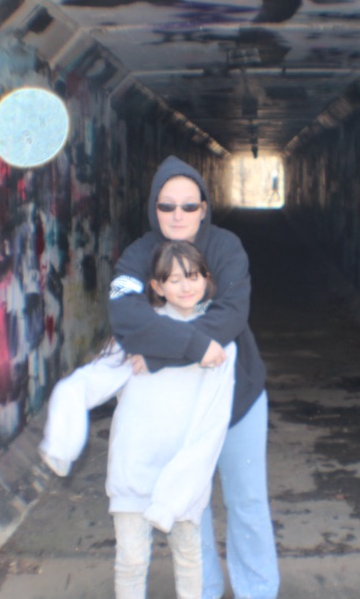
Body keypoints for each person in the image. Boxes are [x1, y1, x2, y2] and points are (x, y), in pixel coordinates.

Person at [108, 155, 280, 599]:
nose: (178, 215)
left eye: (189, 205)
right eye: (167, 206)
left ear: (204, 208)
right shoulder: (138, 255)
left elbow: (230, 315)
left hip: (238, 399)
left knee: (246, 500)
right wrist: (187, 347)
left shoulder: (226, 248)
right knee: (188, 505)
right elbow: (125, 317)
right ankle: (202, 590)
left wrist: (159, 354)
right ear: (154, 208)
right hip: (176, 410)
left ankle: (258, 591)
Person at [40, 240, 237, 599]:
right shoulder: (140, 334)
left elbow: (215, 419)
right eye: (174, 279)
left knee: (189, 557)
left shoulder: (220, 343)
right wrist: (62, 435)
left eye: (194, 276)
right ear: (157, 287)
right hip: (134, 467)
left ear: (207, 279)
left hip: (183, 474)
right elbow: (92, 380)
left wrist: (183, 482)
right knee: (131, 561)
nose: (186, 286)